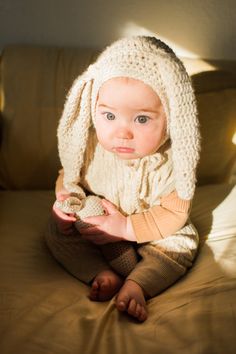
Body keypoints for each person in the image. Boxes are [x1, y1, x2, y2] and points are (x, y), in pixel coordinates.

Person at [45, 36, 200, 323]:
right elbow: (68, 176)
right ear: (94, 110)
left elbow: (175, 211)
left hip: (150, 229)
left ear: (171, 118)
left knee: (182, 243)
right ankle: (100, 273)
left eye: (141, 119)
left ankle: (138, 283)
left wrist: (127, 227)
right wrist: (67, 202)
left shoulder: (174, 160)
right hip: (99, 228)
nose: (122, 133)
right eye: (109, 116)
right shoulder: (89, 146)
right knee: (57, 234)